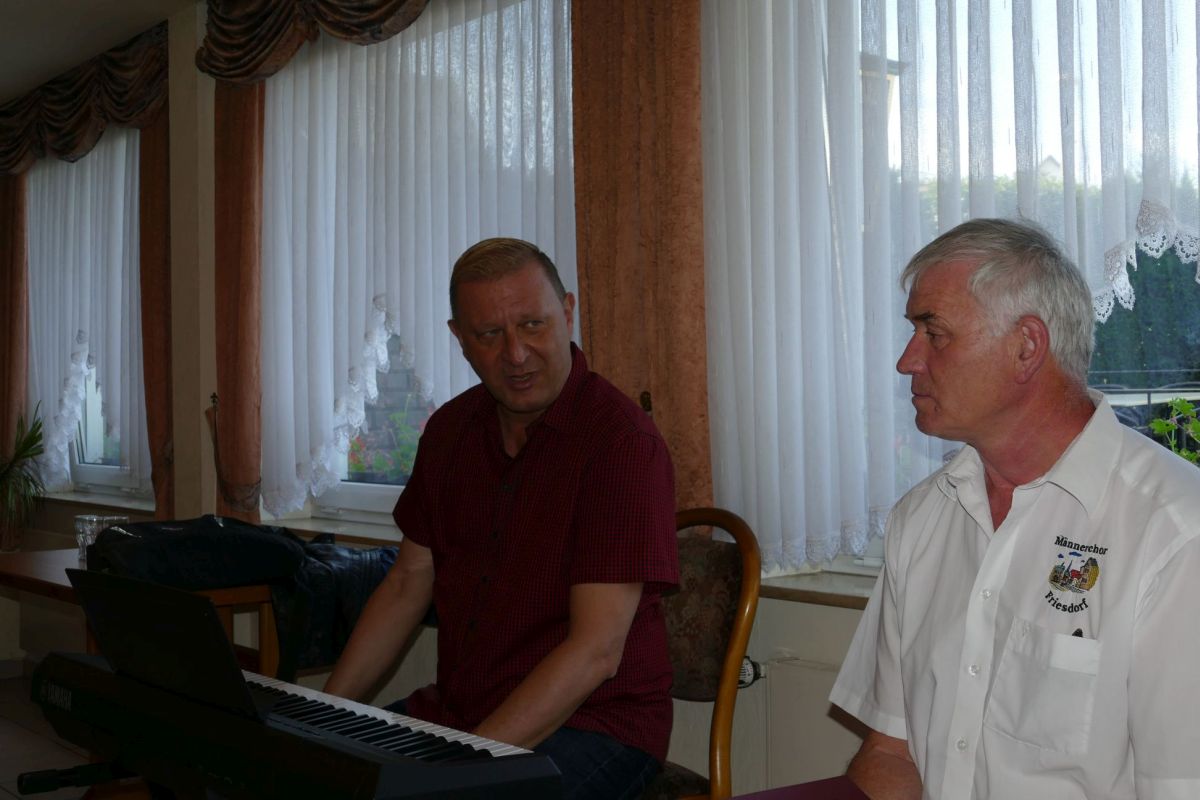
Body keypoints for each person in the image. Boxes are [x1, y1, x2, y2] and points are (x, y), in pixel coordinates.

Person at [830, 218, 1200, 799]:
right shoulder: (922, 518)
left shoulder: (1175, 534)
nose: (907, 361)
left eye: (934, 332)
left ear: (1026, 346)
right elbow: (890, 753)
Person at [325, 237, 679, 800]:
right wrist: (321, 716)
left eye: (533, 325)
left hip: (595, 726)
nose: (516, 354)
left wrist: (466, 769)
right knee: (312, 777)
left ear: (567, 313)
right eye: (489, 334)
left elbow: (594, 652)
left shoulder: (620, 444)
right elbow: (407, 584)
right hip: (462, 711)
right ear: (459, 339)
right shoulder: (449, 433)